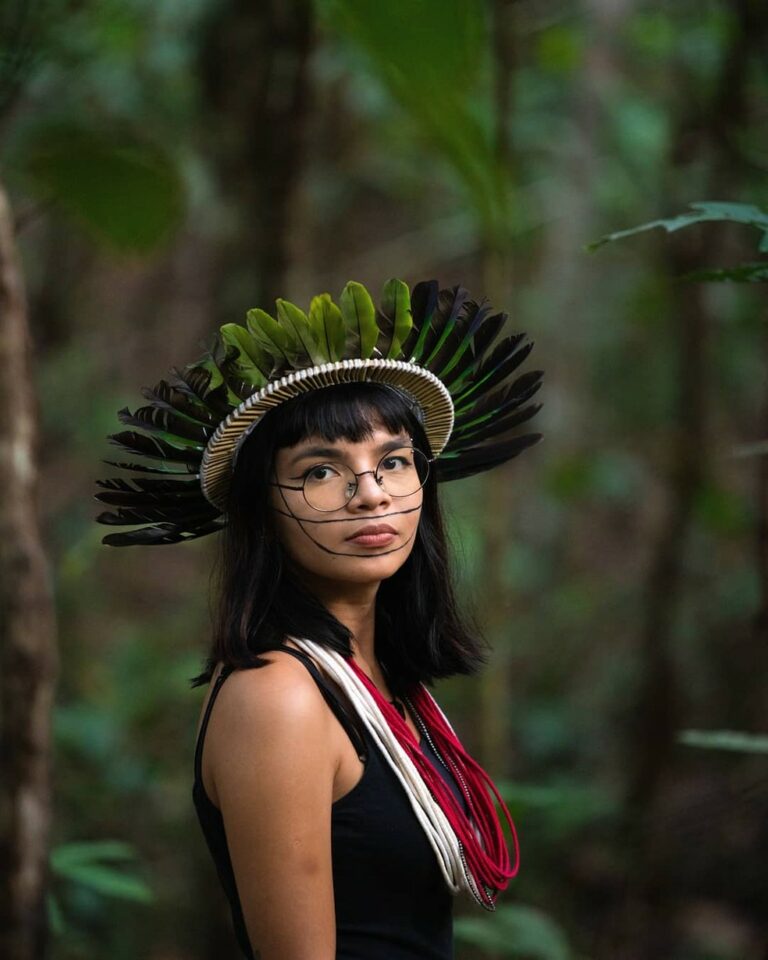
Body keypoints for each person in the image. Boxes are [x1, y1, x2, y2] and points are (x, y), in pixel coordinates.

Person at [94, 278, 544, 959]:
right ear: (261, 507)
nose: (370, 493)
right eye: (320, 472)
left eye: (392, 461)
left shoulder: (379, 680)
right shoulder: (279, 698)